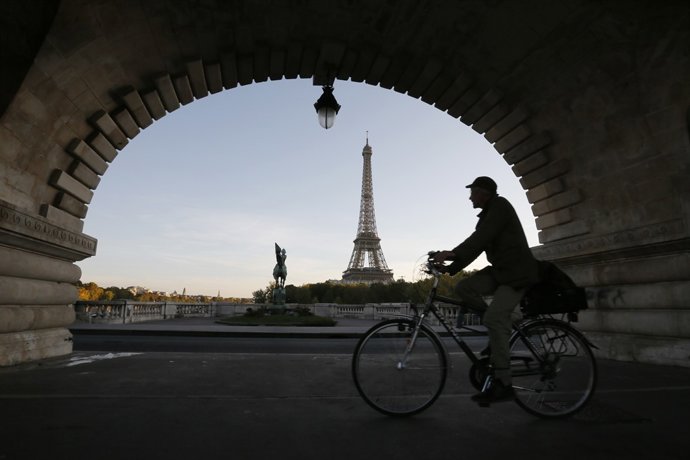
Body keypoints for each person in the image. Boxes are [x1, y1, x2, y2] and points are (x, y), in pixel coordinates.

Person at [430, 176, 539, 406]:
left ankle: (504, 384)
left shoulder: (500, 207)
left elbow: (480, 239)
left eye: (472, 193)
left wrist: (451, 253)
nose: (469, 197)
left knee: (493, 318)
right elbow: (475, 247)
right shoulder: (488, 215)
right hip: (501, 272)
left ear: (483, 193)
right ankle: (502, 325)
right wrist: (451, 266)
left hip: (516, 273)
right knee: (464, 287)